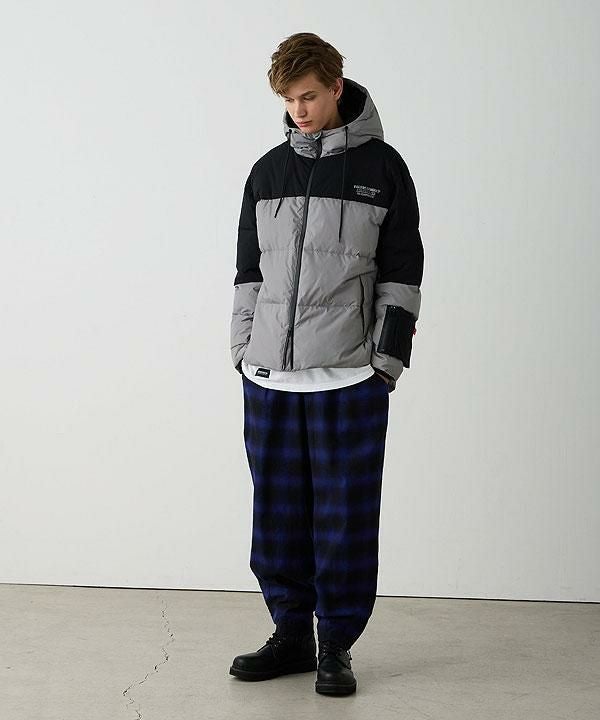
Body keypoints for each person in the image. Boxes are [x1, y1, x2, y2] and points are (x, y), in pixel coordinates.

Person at [228, 32, 424, 697]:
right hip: (270, 380)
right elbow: (248, 273)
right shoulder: (267, 172)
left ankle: (336, 644)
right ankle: (290, 635)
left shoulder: (384, 168)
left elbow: (402, 273)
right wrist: (243, 352)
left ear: (337, 86)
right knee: (276, 516)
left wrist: (386, 362)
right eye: (289, 100)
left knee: (345, 518)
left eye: (309, 96)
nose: (299, 111)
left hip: (349, 378)